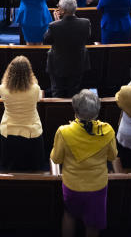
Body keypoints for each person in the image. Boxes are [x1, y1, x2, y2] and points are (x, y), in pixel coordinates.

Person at [50, 90, 117, 237]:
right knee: (92, 224)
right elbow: (113, 156)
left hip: (72, 185)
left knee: (69, 215)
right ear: (97, 112)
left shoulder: (63, 132)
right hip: (97, 186)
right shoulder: (108, 131)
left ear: (76, 110)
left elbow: (56, 159)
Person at [0, 56, 44, 171]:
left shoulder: (2, 88)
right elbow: (37, 100)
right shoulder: (35, 89)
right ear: (29, 72)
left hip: (9, 130)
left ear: (10, 71)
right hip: (31, 131)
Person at [44, 0, 91, 97]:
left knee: (57, 90)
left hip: (58, 64)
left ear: (63, 11)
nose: (58, 8)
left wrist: (56, 21)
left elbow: (46, 40)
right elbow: (87, 37)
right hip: (78, 63)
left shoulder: (54, 26)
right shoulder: (85, 23)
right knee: (74, 91)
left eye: (59, 6)